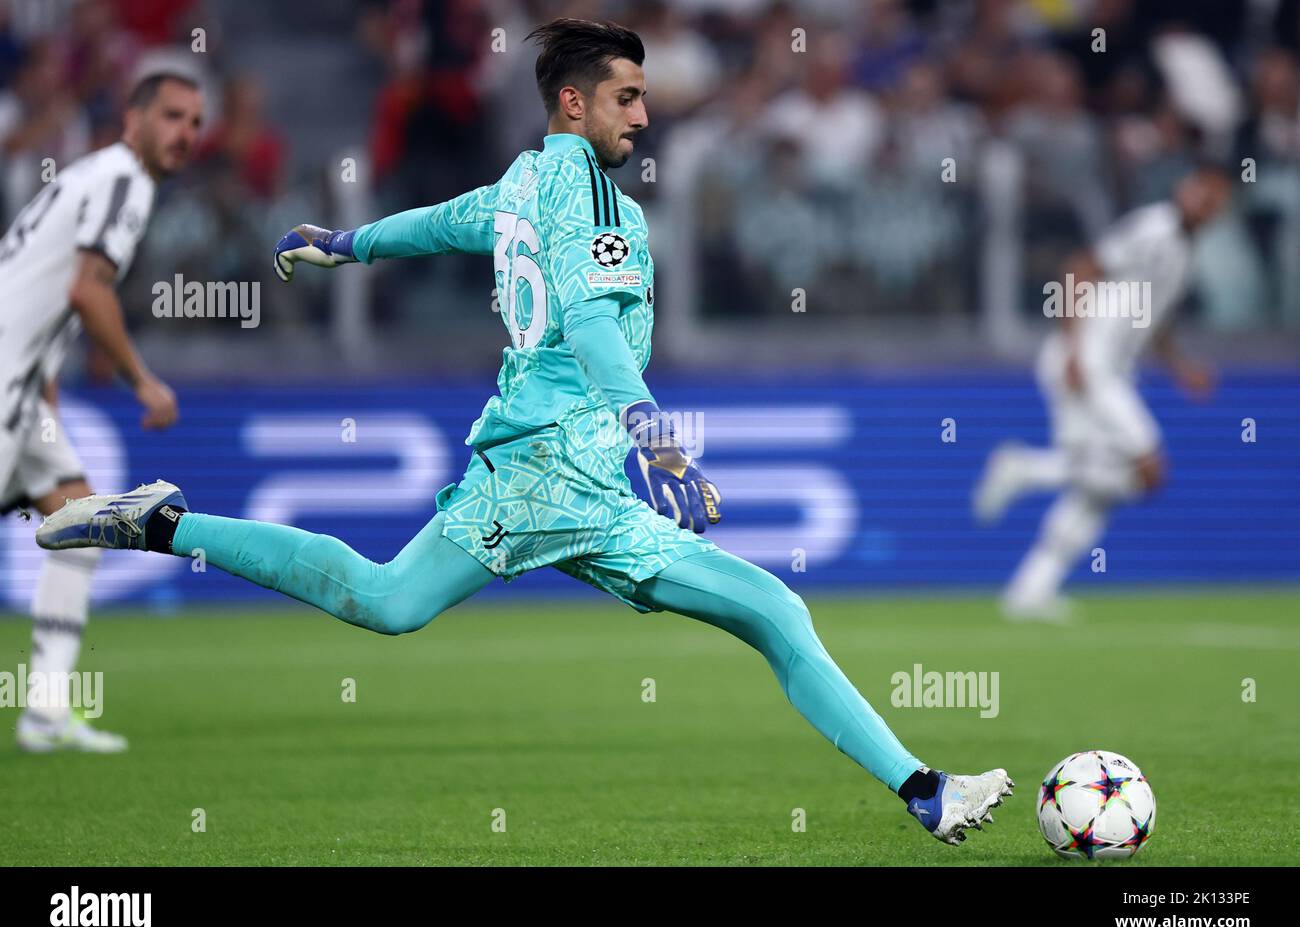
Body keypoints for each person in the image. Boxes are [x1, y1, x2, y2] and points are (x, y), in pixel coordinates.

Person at [37, 20, 1010, 843]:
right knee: (771, 613)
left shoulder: (521, 183)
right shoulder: (587, 192)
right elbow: (589, 321)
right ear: (573, 107)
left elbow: (442, 222)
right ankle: (925, 790)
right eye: (625, 97)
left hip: (536, 466)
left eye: (642, 95)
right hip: (568, 466)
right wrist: (657, 440)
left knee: (389, 600)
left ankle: (166, 523)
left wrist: (346, 242)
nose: (643, 112)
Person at [2, 72, 202, 751]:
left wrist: (45, 381)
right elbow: (88, 293)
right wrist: (144, 382)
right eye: (173, 116)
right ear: (134, 117)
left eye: (196, 123)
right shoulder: (124, 182)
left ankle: (46, 712)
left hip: (23, 390)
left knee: (81, 525)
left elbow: (38, 284)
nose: (186, 134)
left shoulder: (95, 177)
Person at [974, 165, 1231, 621]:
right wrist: (1073, 349)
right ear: (1182, 189)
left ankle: (1030, 591)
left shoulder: (1185, 255)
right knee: (1148, 470)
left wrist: (1181, 368)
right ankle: (1025, 469)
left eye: (1214, 200)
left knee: (1100, 490)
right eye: (1200, 193)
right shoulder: (1154, 227)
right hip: (1088, 368)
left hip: (1107, 370)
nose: (1204, 204)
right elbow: (1081, 267)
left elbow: (1155, 322)